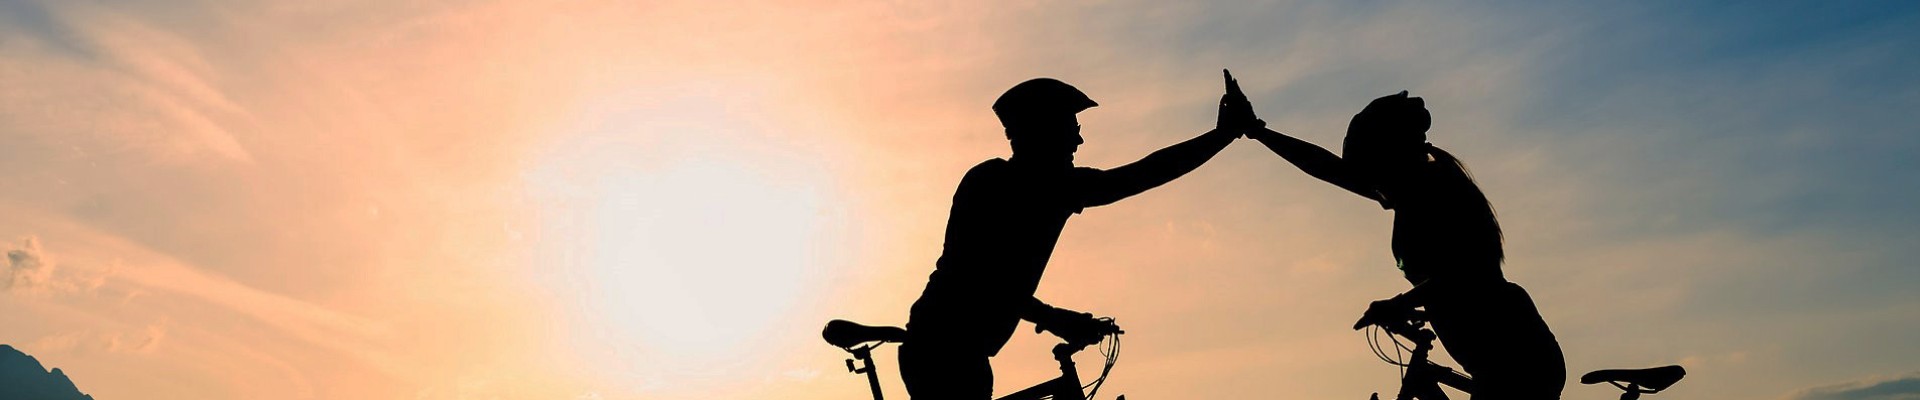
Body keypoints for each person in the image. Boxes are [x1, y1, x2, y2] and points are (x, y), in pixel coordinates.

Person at [899, 72, 1259, 400]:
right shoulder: (993, 183)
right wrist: (1054, 317)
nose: (1079, 138)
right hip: (940, 350)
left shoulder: (1054, 186)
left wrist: (1222, 136)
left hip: (956, 348)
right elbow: (979, 278)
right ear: (1042, 131)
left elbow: (1143, 174)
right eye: (1070, 126)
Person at [1245, 91, 1566, 399]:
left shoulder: (1437, 193)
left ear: (1389, 156)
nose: (1373, 188)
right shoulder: (1411, 191)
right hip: (1500, 357)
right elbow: (1325, 167)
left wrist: (1400, 302)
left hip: (1515, 357)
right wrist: (1259, 132)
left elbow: (1463, 273)